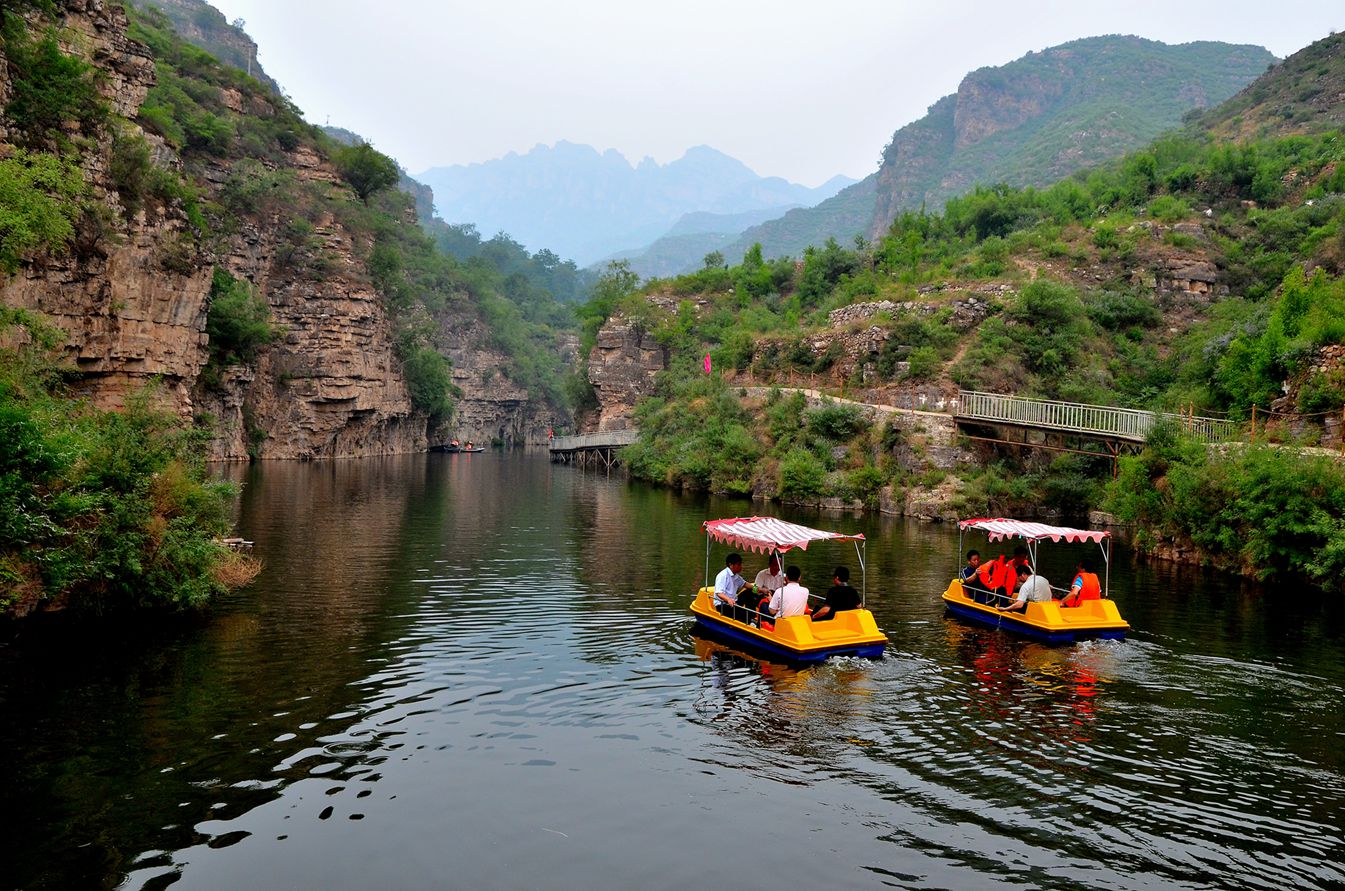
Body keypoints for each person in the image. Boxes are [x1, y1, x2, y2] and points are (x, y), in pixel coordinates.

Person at [713, 553, 753, 621]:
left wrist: (759, 589)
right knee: (744, 614)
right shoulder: (723, 575)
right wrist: (728, 599)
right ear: (731, 565)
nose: (741, 567)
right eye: (738, 565)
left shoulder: (736, 576)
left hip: (734, 602)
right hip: (723, 605)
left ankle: (752, 614)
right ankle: (748, 620)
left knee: (749, 592)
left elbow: (745, 584)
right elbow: (719, 593)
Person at [750, 553, 785, 622]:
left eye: (779, 565)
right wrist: (763, 590)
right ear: (769, 564)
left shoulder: (784, 577)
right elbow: (754, 590)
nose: (777, 568)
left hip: (778, 600)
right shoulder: (762, 574)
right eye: (774, 565)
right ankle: (768, 621)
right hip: (764, 598)